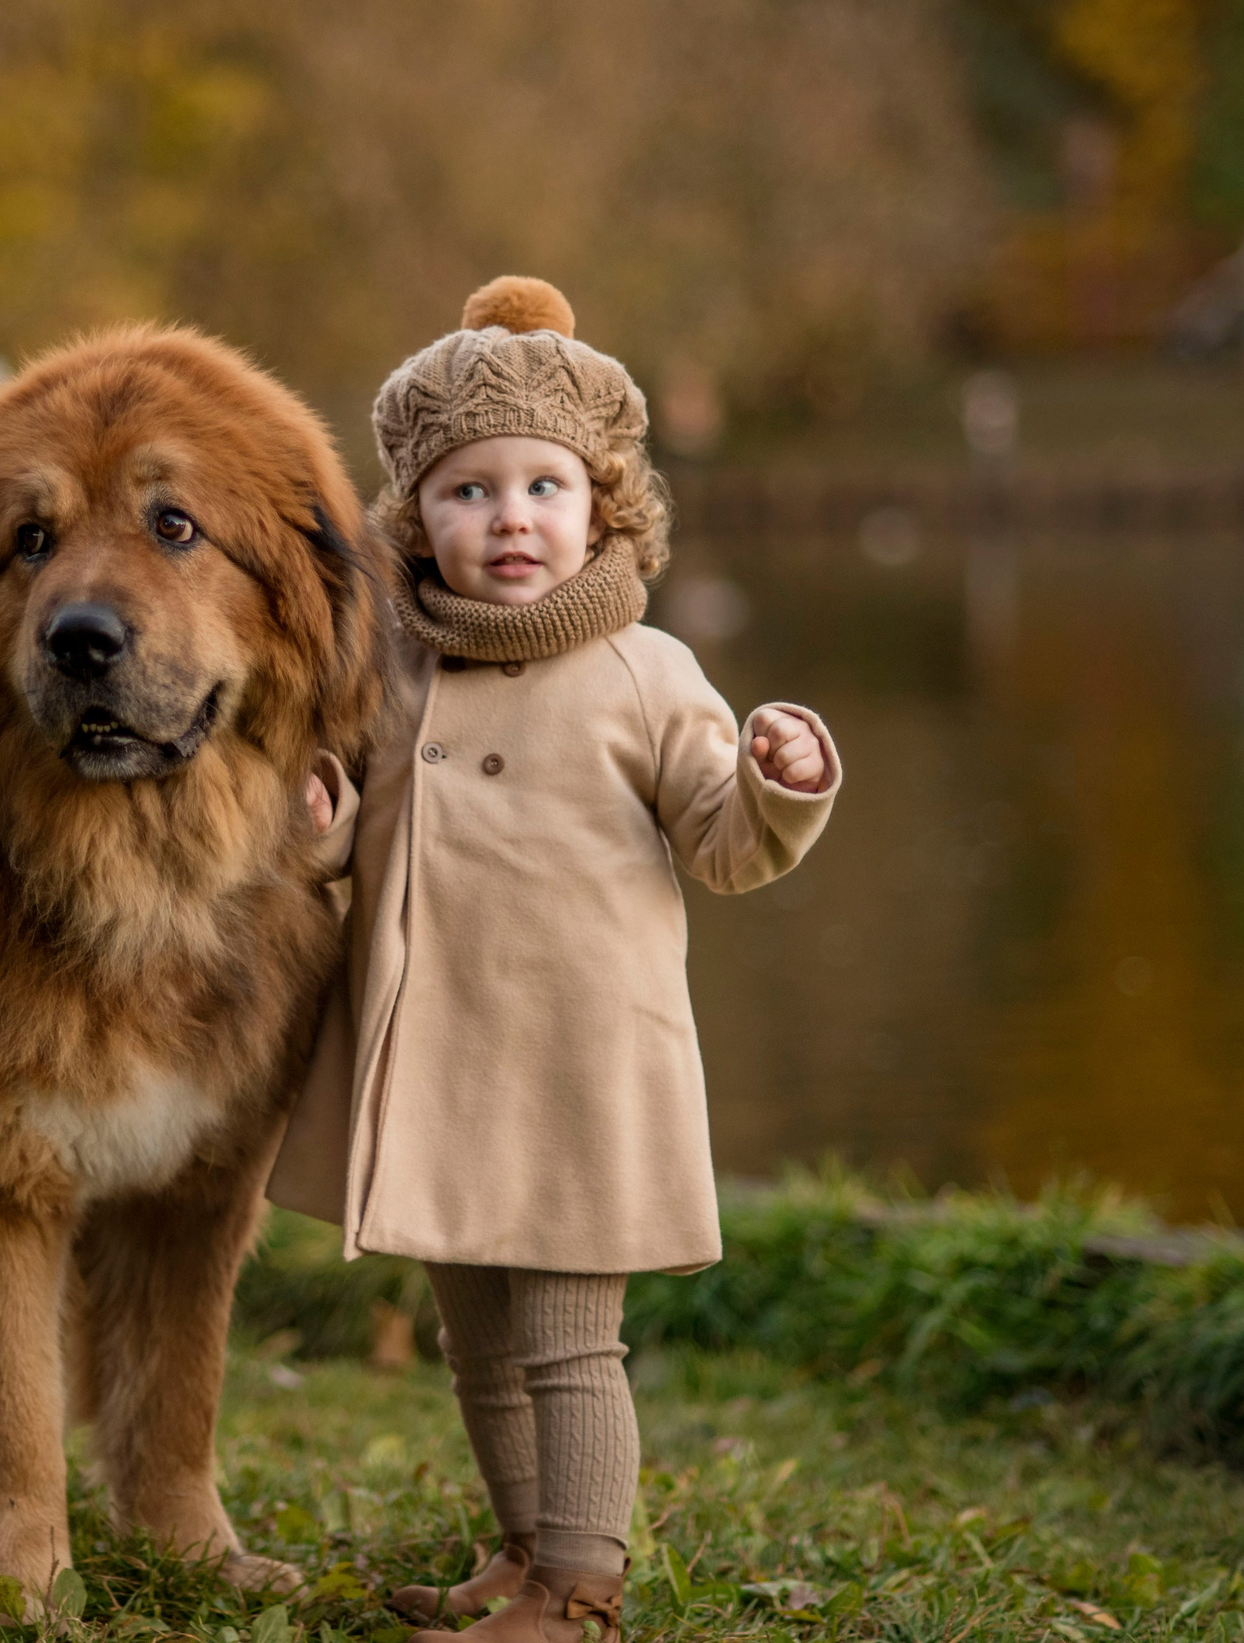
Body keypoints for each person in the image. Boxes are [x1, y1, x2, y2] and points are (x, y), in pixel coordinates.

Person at [271, 276, 840, 1643]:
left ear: (603, 508)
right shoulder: (395, 670)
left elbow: (723, 839)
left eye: (543, 485)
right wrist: (325, 839)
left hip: (583, 1063)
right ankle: (522, 1548)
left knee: (572, 1340)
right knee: (477, 1335)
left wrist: (783, 780)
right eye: (468, 492)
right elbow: (372, 838)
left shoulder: (645, 670)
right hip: (442, 1055)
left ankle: (582, 1587)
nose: (510, 518)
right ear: (417, 520)